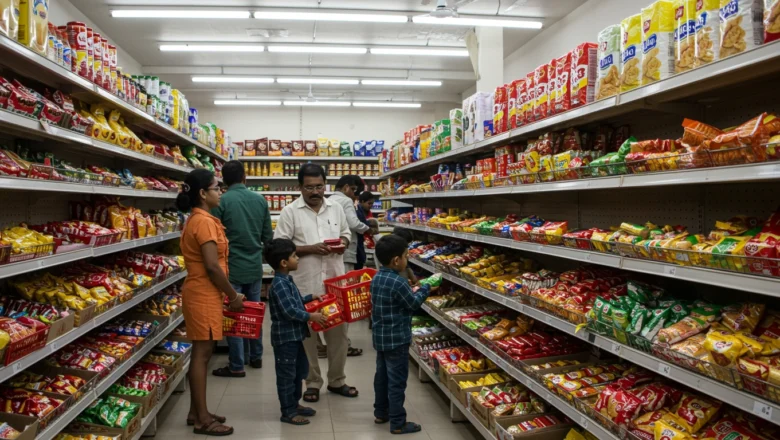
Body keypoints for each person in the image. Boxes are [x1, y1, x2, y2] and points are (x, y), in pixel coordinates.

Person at [273, 163, 358, 403]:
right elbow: (280, 246)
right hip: (304, 287)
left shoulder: (336, 209)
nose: (315, 191)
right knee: (307, 338)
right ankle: (312, 383)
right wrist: (310, 249)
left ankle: (337, 380)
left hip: (333, 285)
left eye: (319, 186)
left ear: (325, 185)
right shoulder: (290, 212)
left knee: (338, 335)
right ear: (299, 187)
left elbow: (346, 234)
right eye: (309, 187)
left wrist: (343, 241)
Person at [177, 169, 244, 436]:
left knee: (202, 353)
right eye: (217, 188)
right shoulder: (203, 222)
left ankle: (196, 411)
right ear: (203, 193)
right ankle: (202, 420)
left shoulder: (201, 219)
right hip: (204, 293)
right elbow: (213, 267)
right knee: (202, 355)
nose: (221, 192)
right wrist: (233, 295)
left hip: (204, 292)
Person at [211, 161, 273, 378]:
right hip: (255, 266)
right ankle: (256, 356)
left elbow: (215, 238)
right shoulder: (260, 200)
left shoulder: (221, 201)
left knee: (233, 315)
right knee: (253, 312)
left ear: (224, 180)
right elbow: (268, 237)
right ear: (245, 177)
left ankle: (237, 364)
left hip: (231, 267)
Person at [371, 234, 432, 435]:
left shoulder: (377, 277)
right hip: (397, 338)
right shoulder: (399, 282)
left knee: (382, 376)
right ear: (397, 260)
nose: (407, 260)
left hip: (380, 337)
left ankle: (381, 412)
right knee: (397, 380)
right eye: (406, 256)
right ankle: (398, 422)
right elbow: (412, 304)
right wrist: (425, 289)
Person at [265, 238, 327, 426]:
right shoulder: (279, 284)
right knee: (286, 375)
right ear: (284, 263)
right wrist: (311, 316)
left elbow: (295, 302)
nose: (297, 258)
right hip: (285, 339)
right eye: (294, 256)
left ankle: (294, 403)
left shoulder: (287, 280)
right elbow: (289, 311)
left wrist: (310, 297)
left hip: (296, 336)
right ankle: (288, 411)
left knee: (299, 371)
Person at [329, 175, 371, 357]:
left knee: (333, 297)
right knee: (344, 300)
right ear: (346, 187)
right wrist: (369, 228)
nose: (355, 196)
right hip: (346, 254)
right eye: (354, 191)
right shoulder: (345, 201)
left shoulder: (329, 199)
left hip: (334, 253)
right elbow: (353, 224)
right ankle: (342, 343)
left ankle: (331, 342)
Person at [355, 191, 377, 270]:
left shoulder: (367, 212)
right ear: (362, 201)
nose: (371, 206)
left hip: (365, 242)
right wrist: (369, 229)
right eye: (369, 203)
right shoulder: (357, 211)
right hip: (359, 242)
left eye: (372, 204)